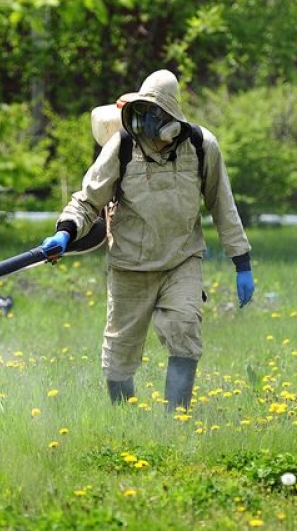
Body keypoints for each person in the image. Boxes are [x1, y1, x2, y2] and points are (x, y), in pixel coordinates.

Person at [40, 69, 254, 412]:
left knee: (185, 329)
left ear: (170, 114)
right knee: (120, 351)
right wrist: (65, 232)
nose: (145, 121)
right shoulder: (122, 145)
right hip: (130, 264)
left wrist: (241, 261)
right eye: (141, 111)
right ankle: (125, 419)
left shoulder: (201, 146)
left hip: (182, 259)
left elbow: (222, 204)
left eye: (153, 112)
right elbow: (88, 199)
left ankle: (176, 418)